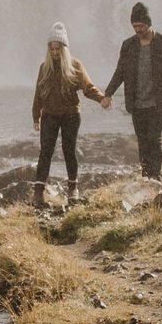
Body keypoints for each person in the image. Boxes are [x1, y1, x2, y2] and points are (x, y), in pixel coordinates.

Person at [102, 1, 162, 179]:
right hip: (137, 103)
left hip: (158, 102)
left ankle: (155, 177)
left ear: (149, 23)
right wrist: (107, 94)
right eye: (135, 26)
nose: (138, 30)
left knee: (154, 139)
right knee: (143, 142)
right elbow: (120, 72)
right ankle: (146, 176)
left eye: (141, 26)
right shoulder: (128, 45)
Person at [31, 22, 106, 207]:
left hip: (71, 115)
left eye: (58, 48)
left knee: (69, 151)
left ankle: (73, 189)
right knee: (45, 152)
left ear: (64, 48)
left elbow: (88, 88)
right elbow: (38, 93)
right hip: (49, 115)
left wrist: (101, 99)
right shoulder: (44, 67)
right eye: (52, 48)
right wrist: (36, 116)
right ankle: (38, 193)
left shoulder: (75, 65)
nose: (55, 52)